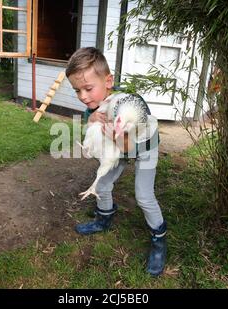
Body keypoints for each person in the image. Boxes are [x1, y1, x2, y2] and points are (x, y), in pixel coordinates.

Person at [66, 47, 167, 276]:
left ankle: (159, 240)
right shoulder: (96, 103)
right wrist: (90, 118)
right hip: (119, 148)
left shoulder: (131, 106)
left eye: (88, 88)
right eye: (77, 90)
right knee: (102, 183)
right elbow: (91, 119)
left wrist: (116, 136)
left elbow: (129, 146)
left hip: (143, 149)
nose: (83, 96)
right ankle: (104, 219)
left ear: (108, 81)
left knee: (144, 195)